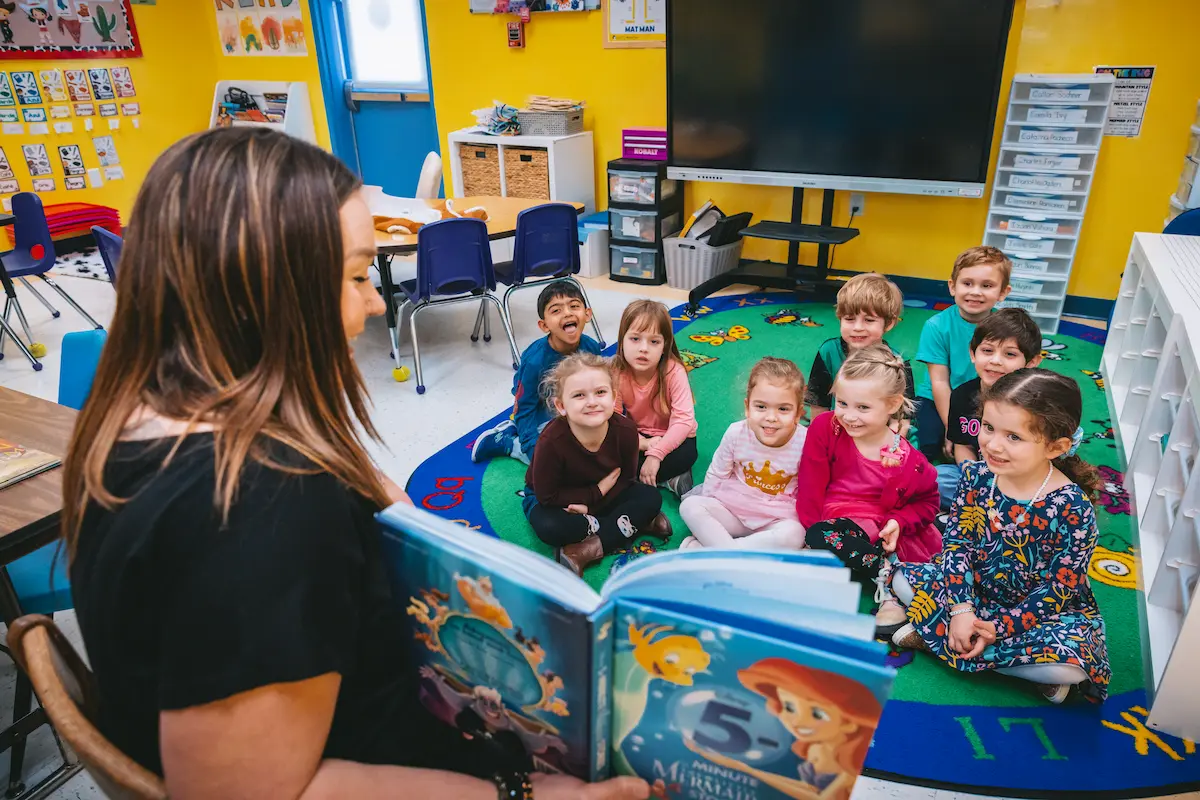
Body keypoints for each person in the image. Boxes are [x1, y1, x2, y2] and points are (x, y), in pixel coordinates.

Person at [63, 128, 648, 800]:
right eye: (355, 275)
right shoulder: (263, 506)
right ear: (268, 293)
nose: (375, 303)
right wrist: (525, 795)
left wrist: (367, 490)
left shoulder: (127, 422)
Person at [876, 369, 1110, 705]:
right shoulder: (976, 477)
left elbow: (1059, 588)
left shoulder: (1073, 507)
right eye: (988, 428)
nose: (993, 445)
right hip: (972, 592)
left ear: (1055, 446)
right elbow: (956, 548)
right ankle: (991, 656)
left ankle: (937, 639)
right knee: (900, 578)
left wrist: (999, 628)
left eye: (1014, 437)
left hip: (1036, 614)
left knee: (1069, 668)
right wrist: (961, 611)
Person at [798, 345, 941, 584]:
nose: (849, 416)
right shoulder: (825, 427)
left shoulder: (910, 460)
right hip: (832, 523)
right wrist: (810, 533)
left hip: (877, 528)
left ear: (893, 405)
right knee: (820, 536)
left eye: (863, 407)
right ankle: (879, 570)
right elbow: (810, 485)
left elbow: (928, 502)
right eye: (842, 403)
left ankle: (884, 573)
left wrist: (899, 521)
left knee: (830, 547)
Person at [524, 353, 671, 575]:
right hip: (558, 500)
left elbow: (625, 480)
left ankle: (586, 549)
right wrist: (594, 493)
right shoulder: (550, 441)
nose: (592, 402)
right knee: (550, 527)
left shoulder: (626, 431)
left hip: (607, 494)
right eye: (579, 395)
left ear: (613, 398)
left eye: (600, 392)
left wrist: (590, 507)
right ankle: (631, 524)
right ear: (561, 406)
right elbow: (547, 496)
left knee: (651, 497)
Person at [684, 658, 882, 800]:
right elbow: (810, 788)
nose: (797, 721)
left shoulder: (853, 765)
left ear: (850, 722)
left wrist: (744, 768)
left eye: (817, 714)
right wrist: (738, 766)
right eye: (789, 707)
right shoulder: (814, 748)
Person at [678, 357, 807, 551]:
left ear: (798, 414)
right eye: (761, 407)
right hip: (733, 509)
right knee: (690, 506)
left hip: (775, 517)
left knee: (795, 535)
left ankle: (709, 551)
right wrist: (709, 514)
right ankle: (735, 552)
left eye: (783, 409)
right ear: (747, 407)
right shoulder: (736, 433)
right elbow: (717, 473)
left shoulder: (806, 441)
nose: (771, 417)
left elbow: (809, 488)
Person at [472, 281, 602, 466]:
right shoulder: (535, 361)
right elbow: (525, 408)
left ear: (587, 314)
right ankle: (506, 441)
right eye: (556, 310)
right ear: (544, 325)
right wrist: (532, 448)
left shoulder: (591, 347)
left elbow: (598, 387)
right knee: (551, 461)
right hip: (541, 408)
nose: (567, 313)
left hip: (573, 405)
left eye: (574, 306)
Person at [913, 246, 1012, 462]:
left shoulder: (1005, 328)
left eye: (987, 286)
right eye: (967, 283)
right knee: (927, 444)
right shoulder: (937, 326)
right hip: (938, 396)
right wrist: (953, 429)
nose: (975, 292)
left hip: (984, 395)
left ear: (1003, 292)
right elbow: (939, 381)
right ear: (952, 286)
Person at [937, 308, 1042, 509]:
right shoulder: (961, 395)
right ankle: (990, 505)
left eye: (1010, 354)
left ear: (1031, 363)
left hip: (1019, 478)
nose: (995, 360)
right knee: (935, 481)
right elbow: (962, 446)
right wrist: (973, 474)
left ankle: (999, 506)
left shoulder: (1036, 404)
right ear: (972, 353)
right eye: (987, 350)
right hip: (979, 476)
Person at [612, 299, 698, 497]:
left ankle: (647, 479)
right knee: (607, 452)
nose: (644, 348)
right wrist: (642, 443)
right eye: (635, 339)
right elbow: (613, 419)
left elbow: (684, 422)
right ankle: (669, 480)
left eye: (654, 342)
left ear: (664, 345)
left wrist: (656, 455)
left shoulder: (674, 371)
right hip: (639, 436)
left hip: (675, 438)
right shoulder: (615, 371)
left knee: (687, 454)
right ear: (622, 340)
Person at [806, 272, 914, 418]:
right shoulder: (829, 351)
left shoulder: (896, 362)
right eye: (849, 319)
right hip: (837, 428)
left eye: (869, 320)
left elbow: (905, 416)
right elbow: (818, 402)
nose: (857, 327)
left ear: (889, 324)